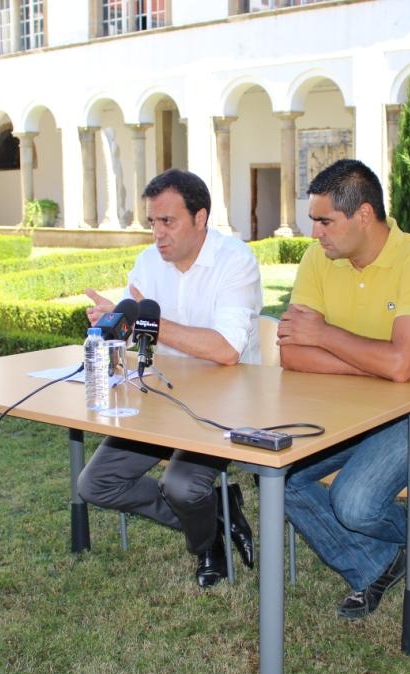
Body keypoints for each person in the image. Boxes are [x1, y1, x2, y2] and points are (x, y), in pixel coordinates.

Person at [276, 158, 410, 618]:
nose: (314, 233)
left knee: (354, 504)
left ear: (362, 215)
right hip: (347, 414)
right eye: (313, 221)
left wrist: (325, 337)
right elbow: (291, 355)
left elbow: (403, 368)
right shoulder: (318, 259)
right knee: (281, 476)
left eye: (324, 221)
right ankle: (380, 560)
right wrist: (374, 366)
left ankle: (386, 549)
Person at [77, 168, 262, 588]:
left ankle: (206, 546)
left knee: (181, 486)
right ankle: (215, 516)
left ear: (201, 218)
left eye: (168, 221)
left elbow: (226, 351)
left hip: (230, 401)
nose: (158, 234)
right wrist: (116, 322)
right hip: (163, 396)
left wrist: (154, 325)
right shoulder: (148, 263)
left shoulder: (235, 262)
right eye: (152, 223)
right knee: (96, 483)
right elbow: (137, 342)